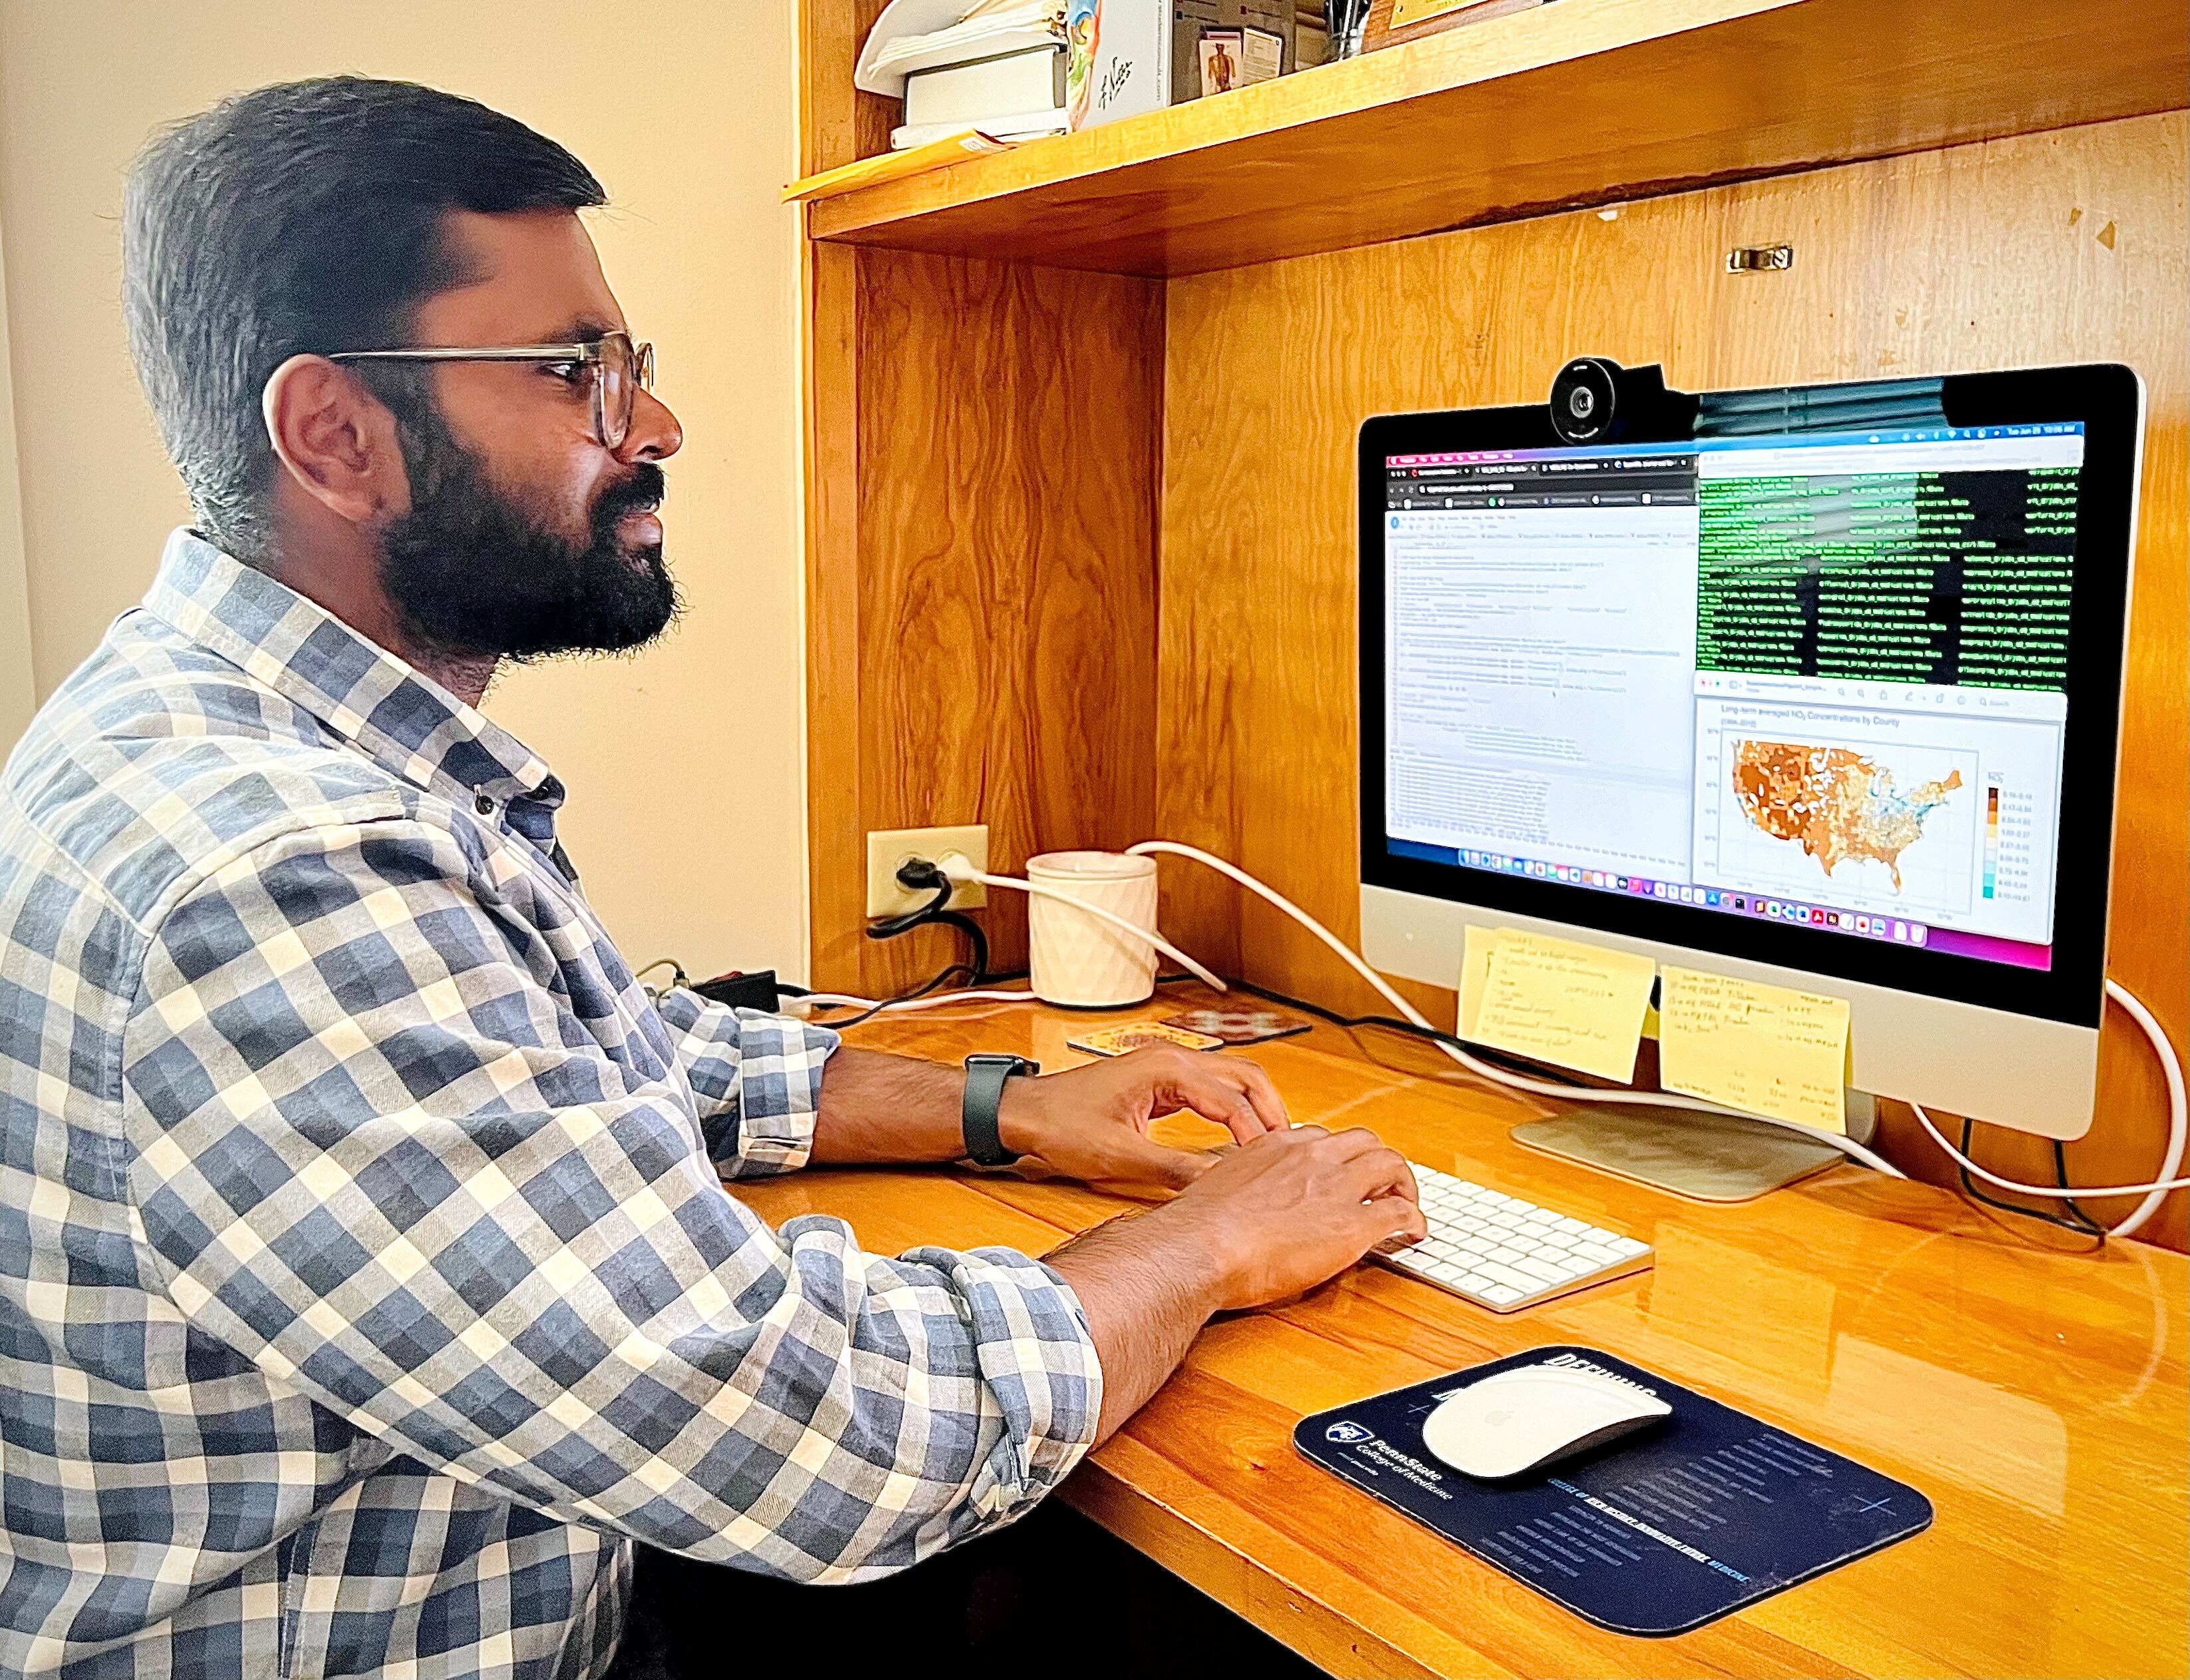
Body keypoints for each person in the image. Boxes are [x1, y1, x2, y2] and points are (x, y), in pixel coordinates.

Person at [0, 77, 1423, 1679]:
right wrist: (1209, 1241)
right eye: (575, 372)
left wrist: (1002, 1107)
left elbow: (573, 1064)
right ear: (335, 434)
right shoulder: (276, 873)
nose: (652, 424)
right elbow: (820, 1431)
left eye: (633, 366)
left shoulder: (222, 728)